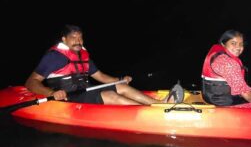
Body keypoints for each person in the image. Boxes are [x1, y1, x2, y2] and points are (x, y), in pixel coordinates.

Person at [25, 24, 184, 105]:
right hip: (68, 97)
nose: (78, 42)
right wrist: (50, 93)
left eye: (80, 38)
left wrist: (119, 79)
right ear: (64, 40)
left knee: (121, 87)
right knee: (110, 95)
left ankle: (159, 104)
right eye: (73, 38)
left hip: (84, 92)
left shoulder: (83, 56)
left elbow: (99, 76)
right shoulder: (54, 57)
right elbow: (31, 82)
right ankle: (148, 113)